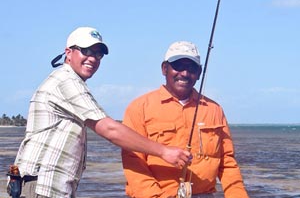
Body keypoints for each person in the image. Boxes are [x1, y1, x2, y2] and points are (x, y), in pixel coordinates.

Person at [11, 27, 191, 198]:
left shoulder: (70, 81)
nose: (93, 58)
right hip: (42, 186)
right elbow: (109, 129)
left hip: (48, 187)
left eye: (98, 54)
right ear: (68, 53)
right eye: (86, 51)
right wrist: (163, 151)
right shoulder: (65, 81)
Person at [121, 41, 249, 198]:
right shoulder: (139, 107)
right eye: (178, 66)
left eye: (191, 68)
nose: (185, 73)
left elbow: (227, 162)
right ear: (164, 68)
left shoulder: (215, 109)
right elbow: (133, 160)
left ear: (199, 72)